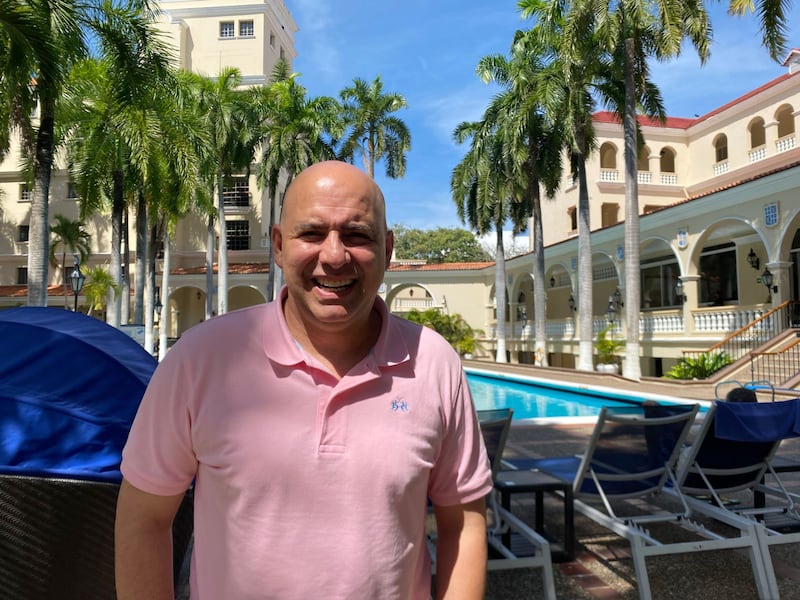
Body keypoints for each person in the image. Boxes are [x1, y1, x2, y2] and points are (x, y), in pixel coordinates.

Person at [114, 160, 493, 600]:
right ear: (278, 245)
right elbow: (145, 518)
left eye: (356, 235)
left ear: (387, 250)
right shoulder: (201, 360)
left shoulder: (433, 363)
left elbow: (463, 522)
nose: (334, 256)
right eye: (312, 234)